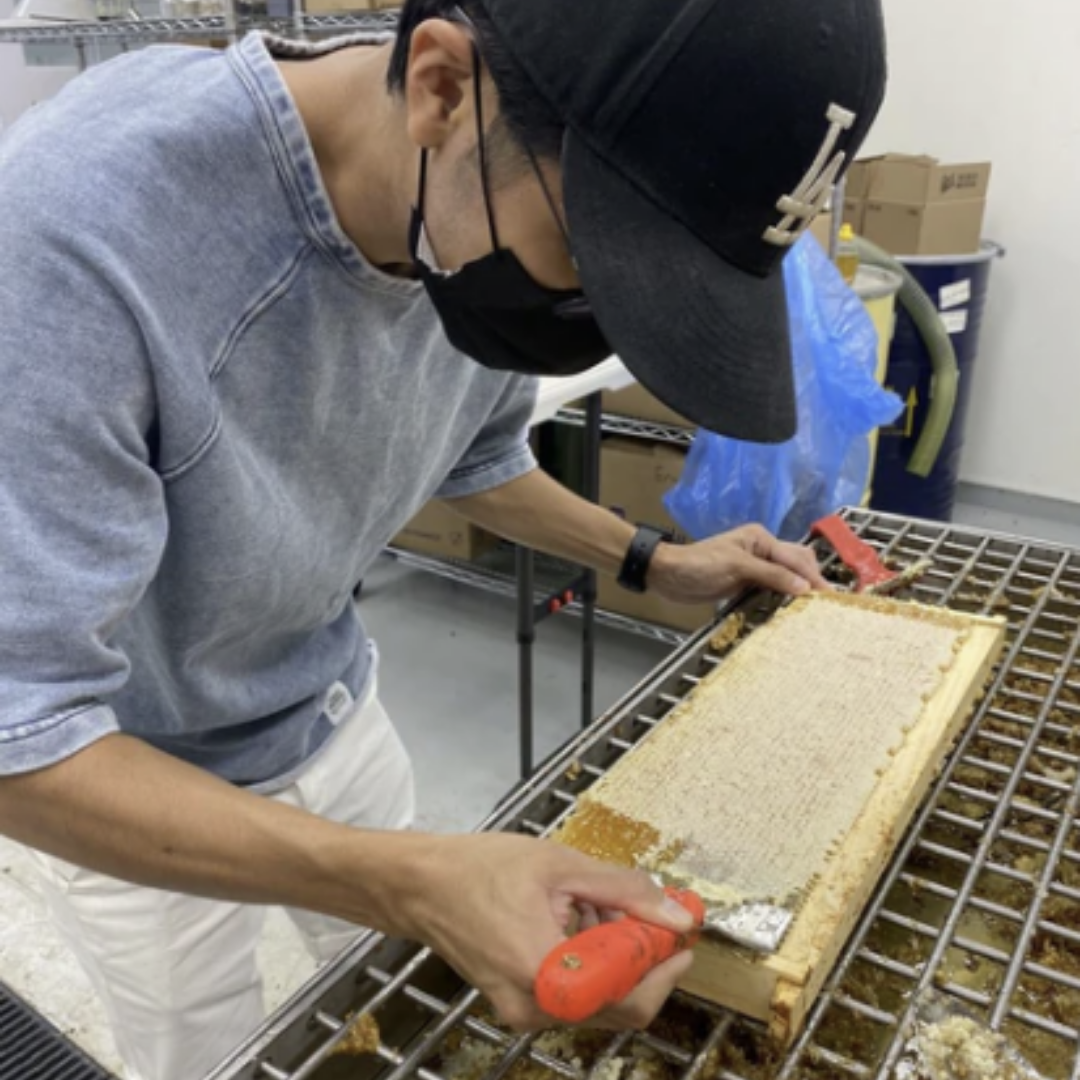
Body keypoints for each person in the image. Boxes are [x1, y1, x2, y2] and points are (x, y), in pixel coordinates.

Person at [0, 0, 886, 1075]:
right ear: (441, 87)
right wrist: (401, 876)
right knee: (211, 1051)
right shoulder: (70, 236)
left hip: (323, 697)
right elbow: (23, 734)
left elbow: (473, 458)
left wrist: (651, 559)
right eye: (595, 257)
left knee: (406, 1009)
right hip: (134, 773)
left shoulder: (464, 205)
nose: (598, 315)